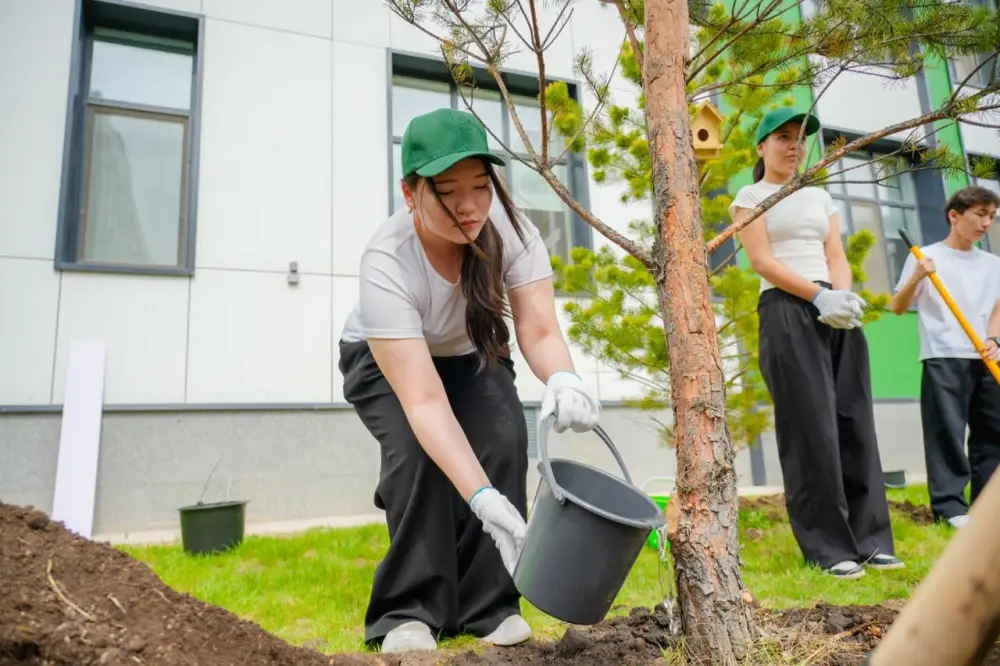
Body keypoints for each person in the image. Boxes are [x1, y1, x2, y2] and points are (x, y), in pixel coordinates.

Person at [337, 107, 601, 654]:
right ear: (410, 193)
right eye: (448, 190)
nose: (469, 205)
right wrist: (478, 496)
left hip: (469, 350)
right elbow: (426, 402)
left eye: (481, 186)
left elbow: (538, 326)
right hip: (387, 361)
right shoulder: (386, 260)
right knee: (417, 456)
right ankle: (407, 612)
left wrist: (566, 379)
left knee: (504, 440)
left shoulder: (510, 229)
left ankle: (490, 606)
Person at [730, 107, 902, 580]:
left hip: (835, 308)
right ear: (761, 146)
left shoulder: (819, 197)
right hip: (787, 311)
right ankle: (828, 548)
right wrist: (817, 294)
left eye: (800, 139)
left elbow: (835, 254)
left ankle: (870, 541)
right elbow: (761, 261)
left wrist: (840, 293)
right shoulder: (751, 196)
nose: (793, 146)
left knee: (854, 420)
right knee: (812, 429)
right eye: (782, 137)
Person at [889, 185, 1000, 529]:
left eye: (992, 217)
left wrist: (995, 338)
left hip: (986, 356)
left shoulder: (993, 264)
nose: (986, 224)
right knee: (946, 434)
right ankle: (951, 508)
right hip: (943, 354)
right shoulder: (925, 257)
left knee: (993, 434)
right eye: (980, 215)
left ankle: (985, 508)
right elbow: (897, 306)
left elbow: (998, 308)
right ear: (955, 216)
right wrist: (917, 277)